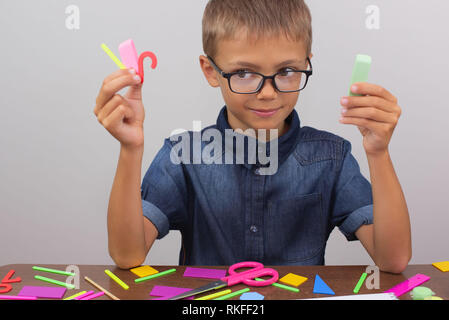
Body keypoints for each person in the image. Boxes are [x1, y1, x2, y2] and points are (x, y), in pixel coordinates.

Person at [93, 0, 411, 273]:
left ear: (306, 64)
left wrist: (379, 153)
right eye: (244, 73)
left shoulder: (332, 157)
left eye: (286, 71)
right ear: (210, 71)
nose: (268, 93)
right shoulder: (184, 155)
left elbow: (393, 259)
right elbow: (127, 254)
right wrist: (130, 149)